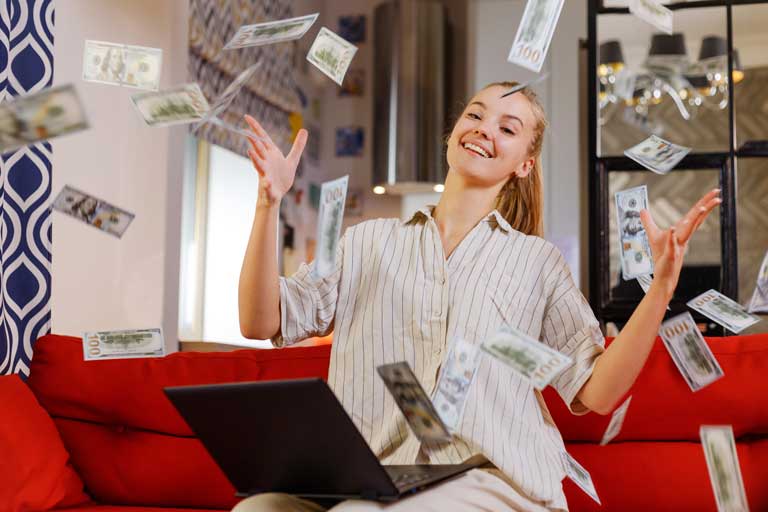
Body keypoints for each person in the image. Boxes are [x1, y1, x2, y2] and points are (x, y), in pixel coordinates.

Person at [236, 81, 721, 512]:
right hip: (374, 478)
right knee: (257, 509)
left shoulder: (537, 262)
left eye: (508, 128)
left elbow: (598, 392)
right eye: (475, 114)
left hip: (490, 481)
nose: (484, 128)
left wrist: (659, 289)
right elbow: (260, 321)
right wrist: (268, 204)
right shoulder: (367, 241)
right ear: (453, 134)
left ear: (524, 165)